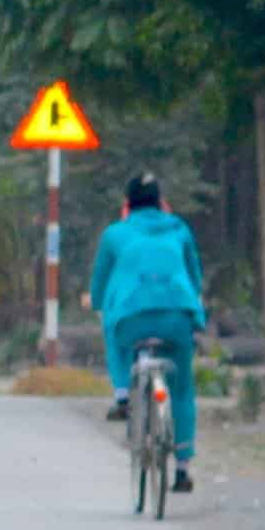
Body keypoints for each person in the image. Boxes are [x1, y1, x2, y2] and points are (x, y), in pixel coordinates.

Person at [88, 171, 211, 493]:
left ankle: (122, 394)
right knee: (182, 387)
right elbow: (195, 277)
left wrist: (99, 304)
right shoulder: (180, 229)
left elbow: (99, 284)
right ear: (161, 203)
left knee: (112, 326)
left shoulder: (115, 234)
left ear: (127, 205)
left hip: (132, 319)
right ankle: (183, 468)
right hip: (177, 317)